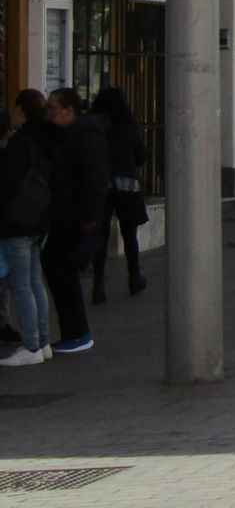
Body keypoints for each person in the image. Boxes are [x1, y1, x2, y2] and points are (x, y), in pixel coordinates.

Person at [40, 88, 106, 355]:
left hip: (73, 218)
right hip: (65, 214)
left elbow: (94, 179)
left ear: (69, 110)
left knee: (62, 272)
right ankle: (73, 332)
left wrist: (89, 218)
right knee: (58, 272)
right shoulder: (73, 136)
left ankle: (77, 332)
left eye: (52, 108)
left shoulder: (85, 137)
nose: (48, 114)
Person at [0, 90, 60, 366]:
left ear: (21, 110)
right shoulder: (49, 138)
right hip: (40, 219)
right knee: (36, 281)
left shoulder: (21, 141)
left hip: (18, 222)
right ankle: (43, 342)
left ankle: (31, 345)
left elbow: (8, 180)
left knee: (22, 283)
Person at [89, 86, 148, 304]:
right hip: (126, 185)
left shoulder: (94, 128)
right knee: (129, 234)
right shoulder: (128, 128)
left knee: (100, 235)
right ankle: (134, 276)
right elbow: (141, 156)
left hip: (101, 185)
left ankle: (98, 283)